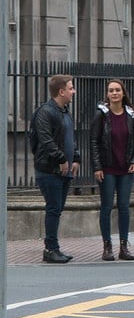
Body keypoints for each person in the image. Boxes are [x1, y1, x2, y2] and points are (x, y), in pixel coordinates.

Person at [90, 79, 134, 261]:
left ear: (123, 93)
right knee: (106, 207)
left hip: (126, 168)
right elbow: (94, 142)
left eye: (117, 90)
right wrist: (97, 166)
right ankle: (107, 246)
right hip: (107, 168)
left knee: (124, 207)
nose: (114, 93)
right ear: (107, 94)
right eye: (111, 90)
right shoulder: (101, 115)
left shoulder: (131, 114)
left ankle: (124, 245)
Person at [31, 74, 80, 263]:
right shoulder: (45, 112)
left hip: (64, 170)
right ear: (61, 91)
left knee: (57, 209)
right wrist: (60, 158)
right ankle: (51, 249)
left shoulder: (65, 112)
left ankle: (54, 247)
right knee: (53, 208)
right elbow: (46, 140)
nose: (73, 91)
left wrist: (75, 158)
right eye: (71, 88)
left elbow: (70, 138)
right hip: (49, 170)